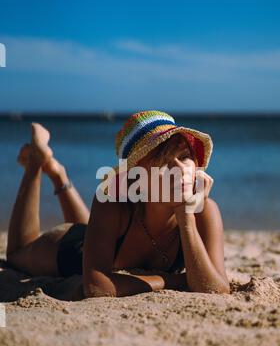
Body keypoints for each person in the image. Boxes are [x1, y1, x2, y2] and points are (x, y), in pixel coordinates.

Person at [6, 110, 230, 298]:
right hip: (73, 249)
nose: (180, 169)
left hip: (105, 237)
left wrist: (186, 216)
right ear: (135, 178)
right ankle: (36, 163)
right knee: (16, 255)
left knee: (95, 227)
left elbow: (217, 289)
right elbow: (96, 286)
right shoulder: (113, 202)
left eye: (184, 157)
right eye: (163, 162)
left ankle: (59, 176)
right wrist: (173, 280)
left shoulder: (204, 210)